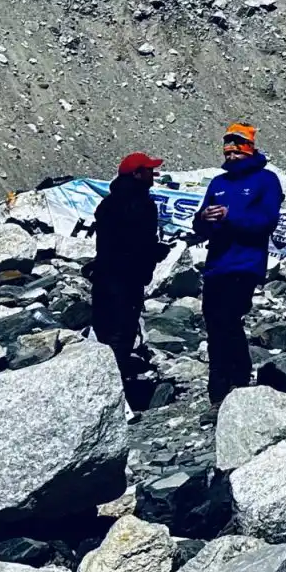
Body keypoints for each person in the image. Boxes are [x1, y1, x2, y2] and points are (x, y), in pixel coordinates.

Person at [191, 123, 284, 407]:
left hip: (246, 263)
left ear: (249, 150)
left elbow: (266, 222)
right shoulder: (218, 183)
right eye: (227, 152)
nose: (231, 157)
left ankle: (236, 383)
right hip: (217, 264)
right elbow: (198, 226)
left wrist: (231, 216)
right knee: (214, 324)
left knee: (228, 320)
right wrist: (204, 218)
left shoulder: (266, 180)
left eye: (237, 152)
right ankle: (220, 391)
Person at [90, 151, 169, 392]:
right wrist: (157, 251)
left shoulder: (107, 203)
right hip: (126, 279)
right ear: (137, 174)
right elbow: (138, 244)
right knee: (121, 334)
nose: (153, 174)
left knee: (105, 331)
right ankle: (118, 391)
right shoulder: (142, 204)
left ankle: (102, 382)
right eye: (148, 170)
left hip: (103, 276)